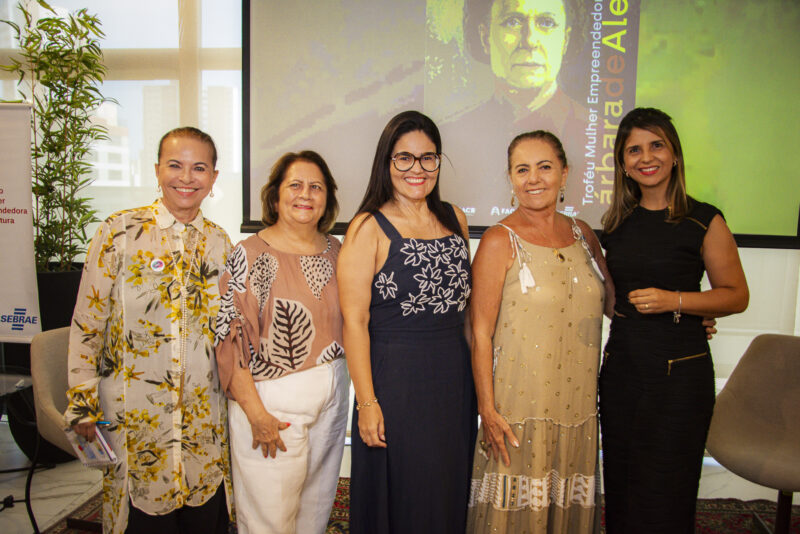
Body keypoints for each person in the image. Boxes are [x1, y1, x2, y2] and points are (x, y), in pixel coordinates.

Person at [65, 127, 233, 533]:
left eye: (199, 168)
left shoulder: (220, 243)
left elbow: (226, 331)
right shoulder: (118, 233)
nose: (186, 178)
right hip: (135, 413)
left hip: (201, 415)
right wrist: (83, 402)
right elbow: (88, 322)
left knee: (202, 514)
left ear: (213, 177)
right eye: (175, 165)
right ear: (157, 170)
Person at [599, 107, 749, 533]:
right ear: (623, 163)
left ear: (675, 154)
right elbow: (610, 298)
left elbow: (736, 296)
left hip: (679, 377)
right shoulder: (616, 223)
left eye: (656, 145)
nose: (646, 157)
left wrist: (676, 301)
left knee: (667, 490)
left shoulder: (704, 219)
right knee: (624, 486)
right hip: (622, 372)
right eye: (634, 150)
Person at [466, 131, 612, 533]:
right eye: (522, 169)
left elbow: (616, 303)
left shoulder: (584, 235)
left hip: (578, 407)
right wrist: (487, 409)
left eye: (544, 167)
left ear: (564, 173)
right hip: (518, 409)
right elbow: (479, 333)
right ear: (511, 179)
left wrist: (688, 311)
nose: (534, 178)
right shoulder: (499, 240)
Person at [338, 110, 477, 533]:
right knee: (403, 495)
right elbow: (354, 323)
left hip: (452, 383)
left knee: (446, 489)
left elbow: (466, 312)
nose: (417, 169)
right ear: (387, 163)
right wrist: (367, 403)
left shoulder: (455, 217)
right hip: (395, 385)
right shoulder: (367, 227)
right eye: (404, 159)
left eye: (427, 158)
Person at [214, 151, 349, 534]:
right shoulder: (249, 254)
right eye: (295, 185)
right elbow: (231, 339)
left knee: (315, 508)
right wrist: (257, 415)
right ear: (275, 197)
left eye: (316, 187)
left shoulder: (337, 251)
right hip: (270, 403)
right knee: (268, 520)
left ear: (327, 198)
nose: (305, 194)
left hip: (333, 396)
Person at [440, 0, 589, 217]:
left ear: (565, 39)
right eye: (513, 22)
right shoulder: (450, 134)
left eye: (546, 23)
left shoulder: (600, 132)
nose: (529, 40)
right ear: (485, 37)